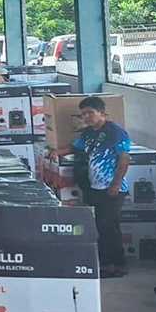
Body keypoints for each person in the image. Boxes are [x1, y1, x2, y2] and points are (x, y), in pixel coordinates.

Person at [46, 96, 131, 278]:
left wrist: (116, 184)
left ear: (102, 113)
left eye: (90, 112)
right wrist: (56, 152)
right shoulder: (88, 133)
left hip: (112, 188)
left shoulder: (115, 131)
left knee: (110, 227)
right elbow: (75, 147)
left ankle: (118, 265)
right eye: (83, 113)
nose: (87, 116)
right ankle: (107, 263)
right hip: (95, 187)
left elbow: (124, 158)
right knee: (101, 226)